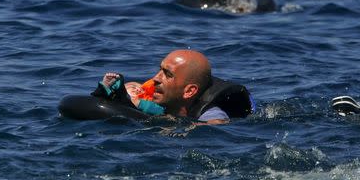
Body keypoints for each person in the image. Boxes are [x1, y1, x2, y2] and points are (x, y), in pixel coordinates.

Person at [93, 49, 255, 125]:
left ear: (189, 91)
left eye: (167, 74)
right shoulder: (160, 104)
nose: (156, 78)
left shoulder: (211, 114)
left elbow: (219, 126)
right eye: (159, 70)